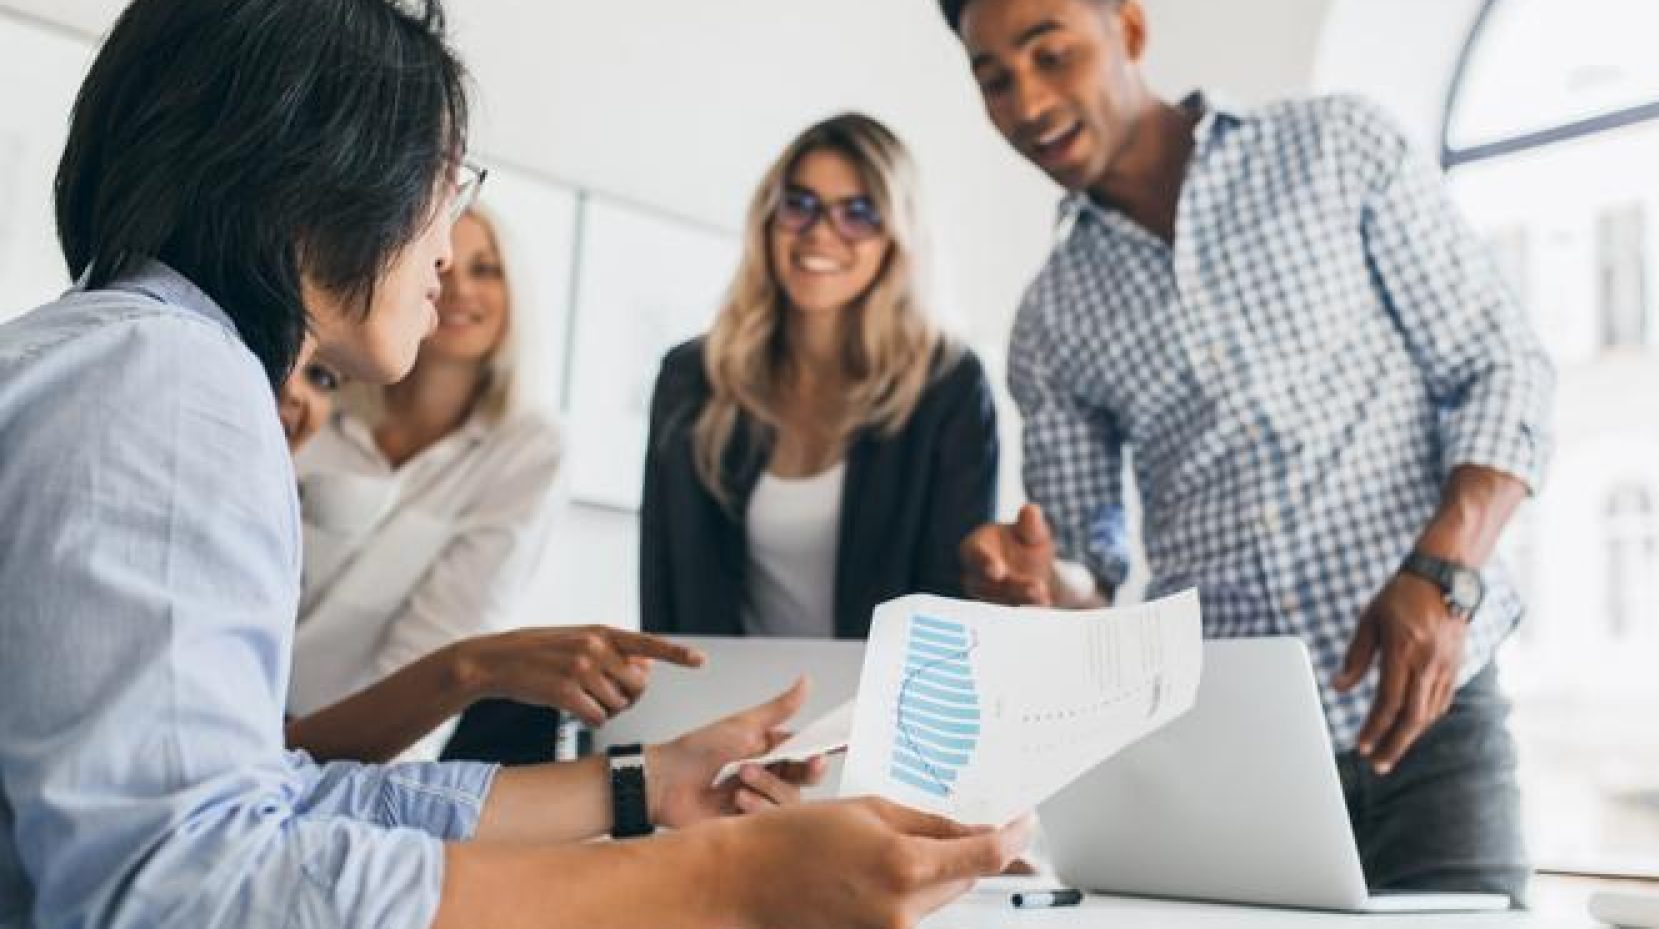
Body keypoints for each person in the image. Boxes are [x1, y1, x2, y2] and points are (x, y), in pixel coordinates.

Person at [0, 2, 1026, 928]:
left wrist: (650, 780)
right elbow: (187, 886)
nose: (449, 242)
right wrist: (728, 881)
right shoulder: (174, 379)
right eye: (448, 182)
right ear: (321, 169)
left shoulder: (137, 359)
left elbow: (269, 794)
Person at [942, 0, 1555, 903]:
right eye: (993, 77)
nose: (1027, 101)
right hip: (1233, 753)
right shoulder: (1051, 316)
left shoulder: (1337, 148)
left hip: (1435, 718)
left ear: (1130, 30)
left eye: (1050, 53)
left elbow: (1501, 366)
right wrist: (1040, 584)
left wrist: (1444, 570)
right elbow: (1088, 572)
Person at [642, 113, 999, 639]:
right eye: (799, 205)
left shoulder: (949, 387)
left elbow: (952, 606)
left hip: (878, 710)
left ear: (897, 237)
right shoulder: (692, 380)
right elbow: (663, 590)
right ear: (769, 218)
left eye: (859, 214)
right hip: (726, 706)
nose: (821, 234)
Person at [275, 336, 702, 765]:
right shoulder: (306, 433)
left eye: (322, 377)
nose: (296, 394)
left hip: (337, 745)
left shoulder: (529, 444)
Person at [290, 206, 570, 760]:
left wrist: (371, 786)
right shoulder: (318, 399)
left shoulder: (528, 449)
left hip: (366, 748)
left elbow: (448, 642)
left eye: (486, 269)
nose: (460, 289)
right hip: (238, 712)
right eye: (441, 266)